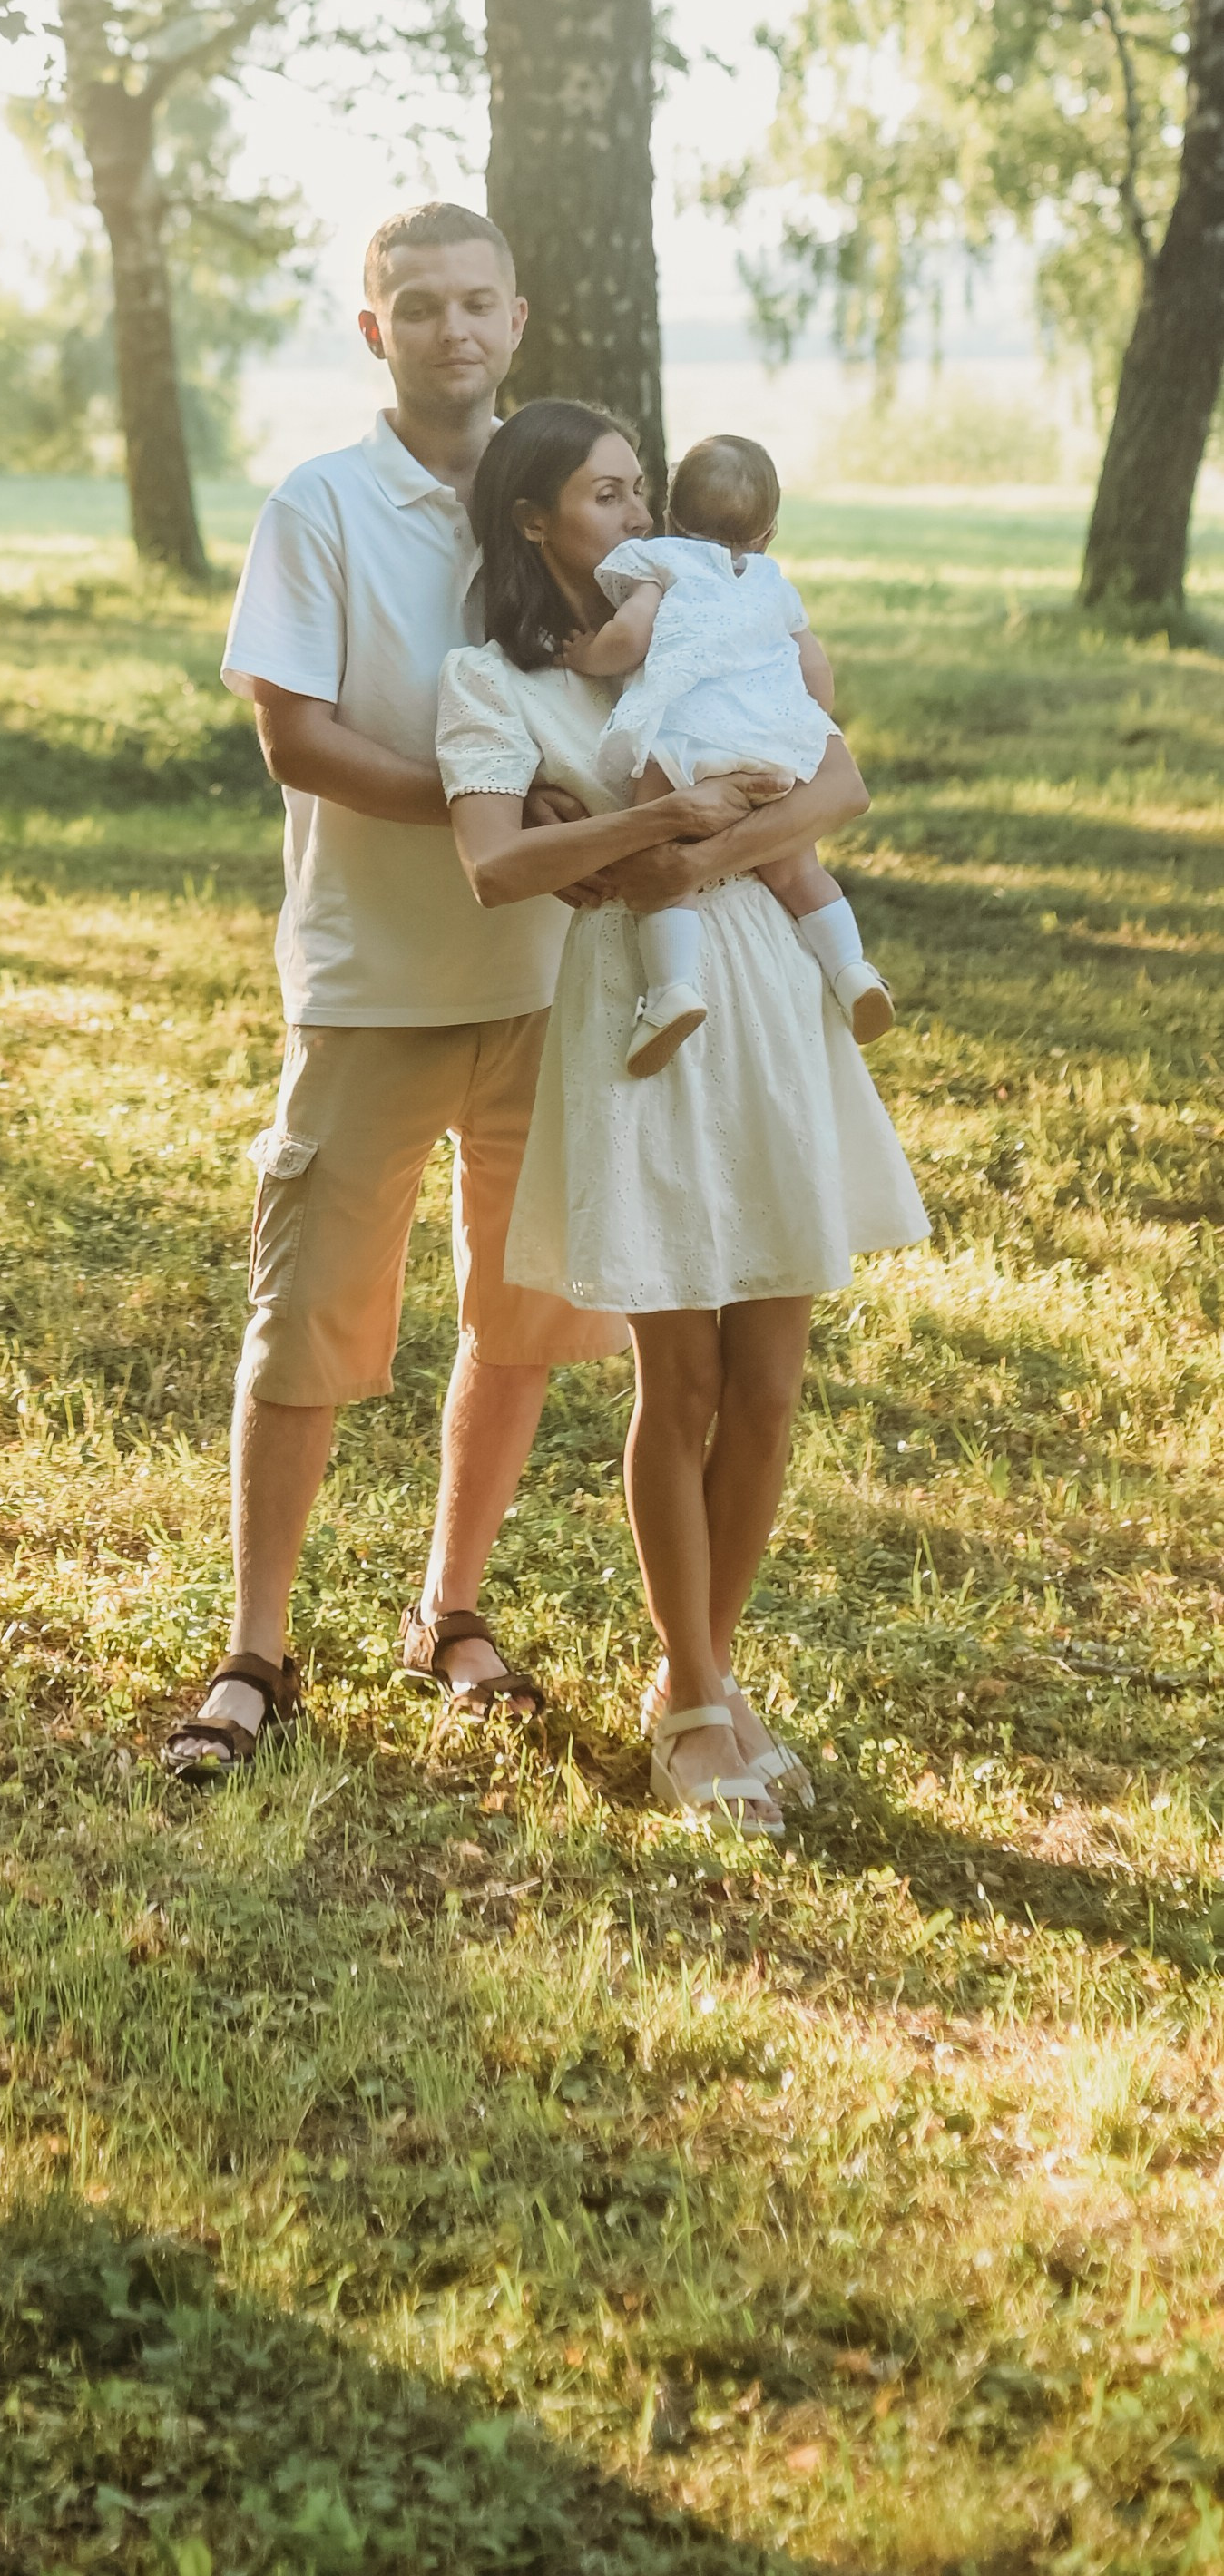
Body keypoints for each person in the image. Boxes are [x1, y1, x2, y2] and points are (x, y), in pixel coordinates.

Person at [164, 200, 628, 1786]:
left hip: (548, 973)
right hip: (369, 984)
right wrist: (480, 805)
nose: (448, 330)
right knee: (305, 1322)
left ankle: (450, 1610)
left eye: (474, 304)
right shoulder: (320, 506)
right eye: (415, 305)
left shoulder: (568, 502)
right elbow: (291, 737)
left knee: (517, 1316)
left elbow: (664, 675)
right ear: (375, 330)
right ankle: (255, 1648)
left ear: (518, 319)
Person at [436, 400, 927, 1833]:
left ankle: (704, 1668)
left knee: (770, 1385)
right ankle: (695, 1687)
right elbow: (502, 869)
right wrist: (662, 834)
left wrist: (696, 845)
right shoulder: (502, 683)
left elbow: (833, 780)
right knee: (686, 1382)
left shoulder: (722, 614)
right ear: (538, 523)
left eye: (638, 489)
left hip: (765, 995)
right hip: (651, 1020)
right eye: (602, 496)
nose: (632, 513)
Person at [559, 430, 894, 1076]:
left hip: (685, 742)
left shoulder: (663, 563)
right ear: (768, 532)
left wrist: (584, 654)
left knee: (654, 856)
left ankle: (671, 992)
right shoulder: (772, 584)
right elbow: (813, 671)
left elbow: (628, 639)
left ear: (672, 519)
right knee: (797, 870)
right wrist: (797, 725)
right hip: (770, 746)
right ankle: (852, 972)